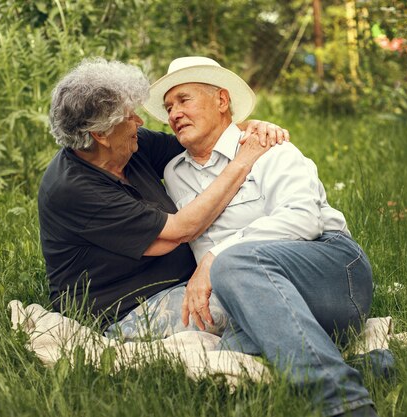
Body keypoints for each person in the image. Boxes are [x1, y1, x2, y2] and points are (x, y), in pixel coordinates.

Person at [144, 56, 377, 417]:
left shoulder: (269, 145)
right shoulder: (175, 173)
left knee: (233, 263)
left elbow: (304, 220)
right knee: (230, 373)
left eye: (184, 100)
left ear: (222, 100)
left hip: (332, 272)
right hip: (259, 298)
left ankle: (344, 405)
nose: (173, 113)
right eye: (169, 106)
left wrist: (216, 256)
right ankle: (386, 368)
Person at [38, 57, 288, 332]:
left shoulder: (130, 146)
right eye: (129, 116)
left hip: (181, 283)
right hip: (126, 309)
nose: (139, 121)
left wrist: (252, 127)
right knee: (255, 298)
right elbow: (181, 230)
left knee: (266, 284)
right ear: (101, 134)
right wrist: (244, 160)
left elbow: (204, 140)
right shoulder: (74, 189)